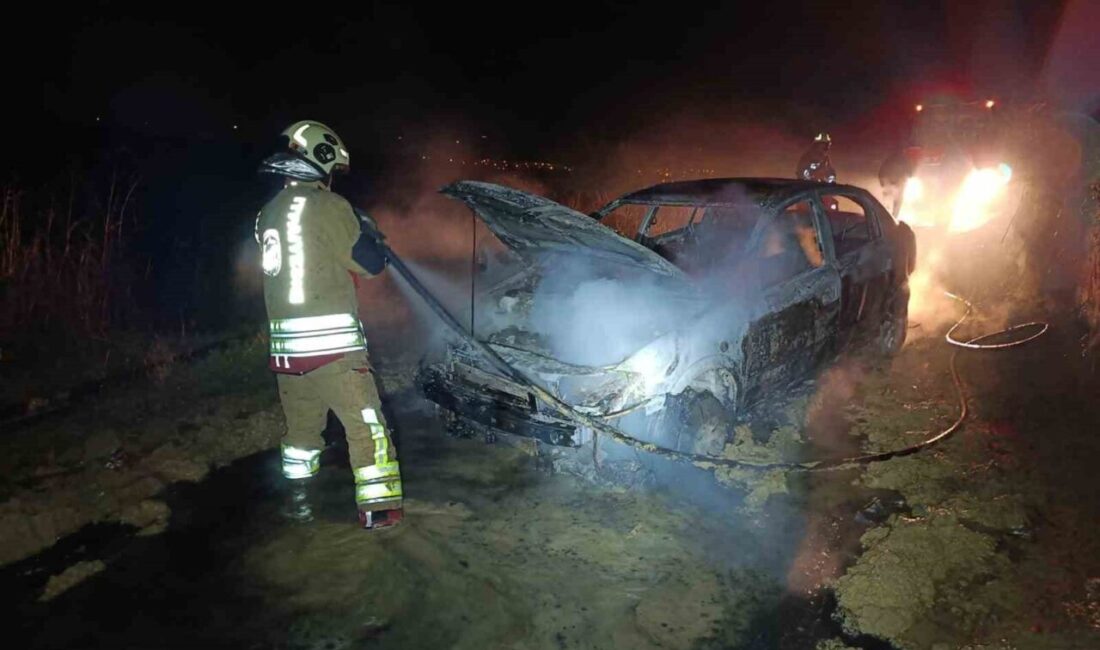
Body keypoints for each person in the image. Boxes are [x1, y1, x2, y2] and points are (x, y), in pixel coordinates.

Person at [255, 120, 402, 529]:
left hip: (286, 354)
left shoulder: (267, 213)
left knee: (302, 435)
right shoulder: (329, 207)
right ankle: (382, 515)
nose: (333, 177)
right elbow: (369, 265)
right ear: (320, 158)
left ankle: (299, 507)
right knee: (368, 429)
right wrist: (372, 241)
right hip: (331, 349)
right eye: (333, 168)